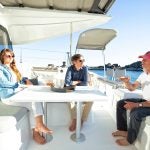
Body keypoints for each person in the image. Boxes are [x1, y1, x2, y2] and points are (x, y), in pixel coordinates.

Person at [0, 48, 53, 144]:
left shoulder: (13, 68)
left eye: (12, 56)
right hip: (8, 96)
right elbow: (3, 82)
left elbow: (20, 79)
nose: (11, 57)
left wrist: (25, 80)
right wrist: (18, 85)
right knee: (33, 101)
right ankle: (39, 126)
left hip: (17, 93)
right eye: (8, 55)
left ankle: (36, 130)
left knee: (35, 100)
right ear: (2, 56)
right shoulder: (1, 68)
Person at [112, 51, 150, 146]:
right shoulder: (143, 74)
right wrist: (126, 82)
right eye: (142, 60)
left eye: (145, 60)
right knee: (121, 103)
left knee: (135, 113)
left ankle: (130, 140)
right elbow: (132, 88)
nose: (142, 62)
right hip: (146, 101)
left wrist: (136, 105)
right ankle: (123, 130)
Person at [64, 54, 93, 131]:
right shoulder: (70, 69)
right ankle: (74, 119)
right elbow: (67, 82)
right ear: (74, 62)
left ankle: (82, 120)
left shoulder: (85, 68)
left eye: (83, 60)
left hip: (83, 91)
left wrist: (73, 82)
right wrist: (78, 81)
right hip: (72, 90)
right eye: (80, 60)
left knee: (91, 100)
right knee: (69, 99)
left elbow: (85, 83)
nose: (82, 62)